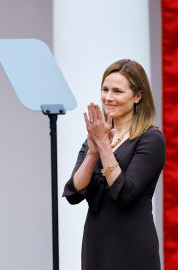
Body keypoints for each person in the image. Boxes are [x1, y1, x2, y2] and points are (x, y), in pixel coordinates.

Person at [63, 59, 165, 270]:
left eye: (117, 91)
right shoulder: (96, 138)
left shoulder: (151, 138)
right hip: (96, 244)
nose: (108, 97)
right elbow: (74, 193)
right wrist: (93, 152)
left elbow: (124, 192)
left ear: (138, 96)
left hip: (133, 245)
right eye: (105, 89)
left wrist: (103, 145)